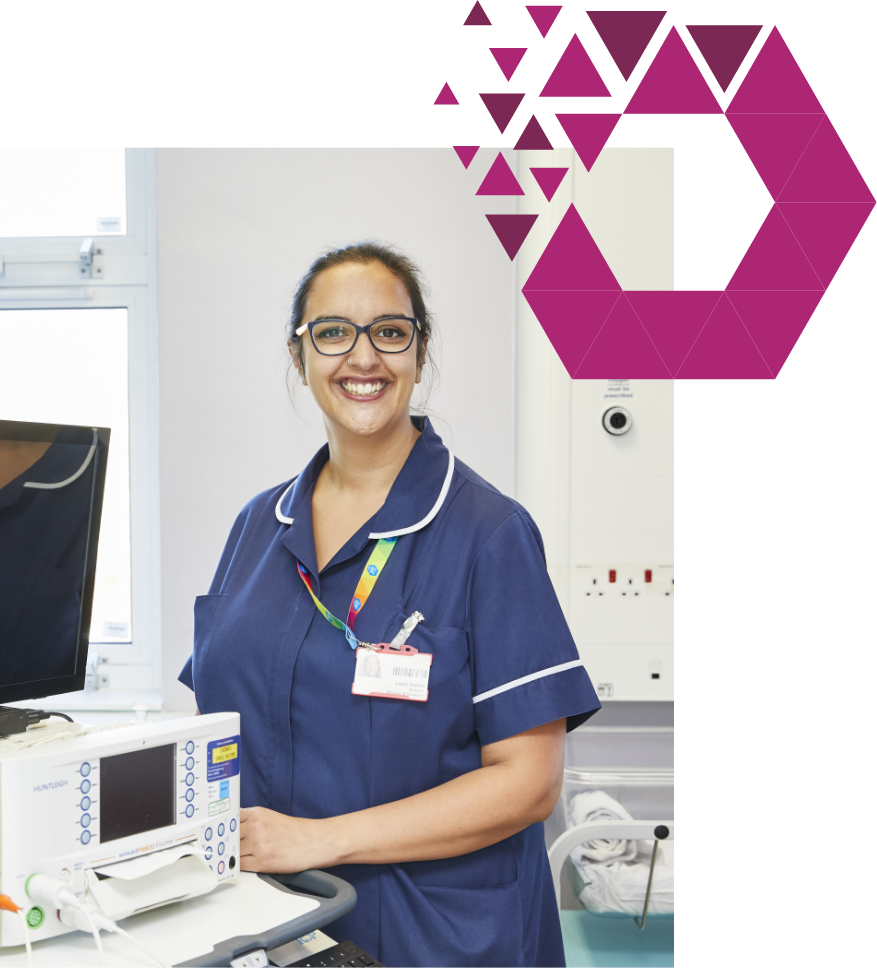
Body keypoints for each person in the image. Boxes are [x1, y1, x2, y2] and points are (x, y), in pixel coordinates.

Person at [179, 242, 601, 968]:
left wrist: (319, 838)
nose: (362, 357)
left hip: (436, 934)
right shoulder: (259, 524)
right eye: (333, 331)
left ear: (420, 348)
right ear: (299, 354)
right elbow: (222, 723)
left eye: (390, 332)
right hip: (272, 921)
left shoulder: (489, 534)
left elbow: (528, 782)